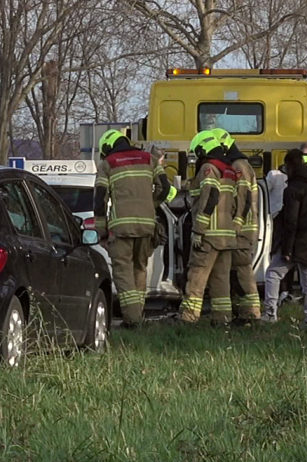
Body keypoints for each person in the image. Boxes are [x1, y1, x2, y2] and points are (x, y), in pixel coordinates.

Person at [95, 128, 167, 327]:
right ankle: (138, 314)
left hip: (122, 228)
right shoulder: (148, 159)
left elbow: (100, 198)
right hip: (147, 226)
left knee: (123, 272)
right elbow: (165, 187)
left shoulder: (107, 164)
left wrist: (101, 231)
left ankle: (133, 320)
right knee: (139, 268)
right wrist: (149, 206)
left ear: (108, 147)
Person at [180, 130, 241, 325]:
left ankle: (188, 318)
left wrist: (199, 229)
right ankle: (222, 320)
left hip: (208, 234)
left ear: (202, 149)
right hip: (226, 236)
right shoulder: (229, 170)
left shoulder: (208, 167)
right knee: (221, 281)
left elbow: (210, 195)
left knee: (196, 277)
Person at [265, 147, 307, 325]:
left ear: (290, 166)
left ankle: (270, 313)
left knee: (273, 274)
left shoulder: (292, 190)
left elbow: (291, 221)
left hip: (296, 241)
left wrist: (287, 249)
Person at [225, 137, 264, 324]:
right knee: (237, 272)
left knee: (242, 271)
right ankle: (243, 312)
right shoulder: (242, 164)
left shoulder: (238, 166)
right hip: (242, 229)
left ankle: (250, 314)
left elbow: (242, 197)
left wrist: (237, 223)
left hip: (242, 231)